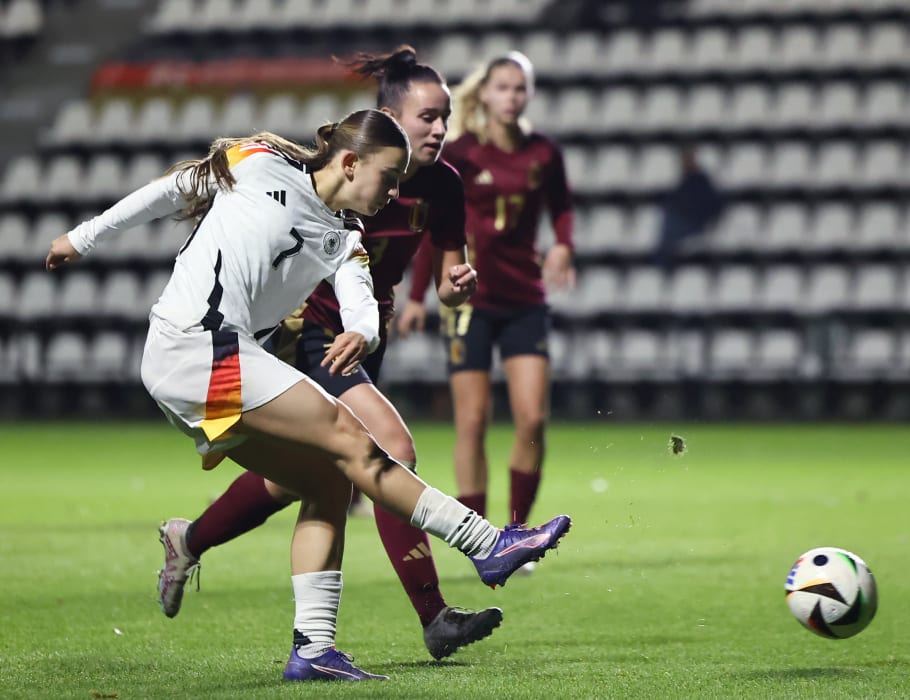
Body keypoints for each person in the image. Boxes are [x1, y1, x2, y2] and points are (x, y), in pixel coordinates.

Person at [45, 109, 572, 682]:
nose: (395, 191)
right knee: (353, 437)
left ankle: (313, 649)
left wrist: (362, 332)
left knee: (327, 478)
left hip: (219, 365)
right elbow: (171, 189)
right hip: (194, 345)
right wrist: (82, 237)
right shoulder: (257, 162)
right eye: (389, 177)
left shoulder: (345, 235)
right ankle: (486, 542)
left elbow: (361, 302)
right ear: (350, 163)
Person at [153, 48, 507, 661]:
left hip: (366, 335)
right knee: (387, 449)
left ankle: (191, 539)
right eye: (427, 117)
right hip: (312, 331)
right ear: (389, 117)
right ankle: (437, 612)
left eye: (446, 117)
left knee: (308, 479)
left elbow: (451, 274)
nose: (440, 130)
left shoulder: (445, 187)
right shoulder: (344, 172)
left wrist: (453, 288)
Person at [396, 51, 574, 537]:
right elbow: (438, 228)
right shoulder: (461, 153)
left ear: (529, 94)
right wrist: (417, 295)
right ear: (487, 93)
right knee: (472, 421)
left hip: (525, 299)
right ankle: (479, 535)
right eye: (503, 87)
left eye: (520, 88)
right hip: (469, 301)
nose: (512, 97)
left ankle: (516, 532)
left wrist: (563, 245)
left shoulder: (543, 153)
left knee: (533, 419)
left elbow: (562, 207)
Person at [653, 145, 723, 269]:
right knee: (668, 222)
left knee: (670, 228)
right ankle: (662, 264)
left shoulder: (700, 180)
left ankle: (663, 265)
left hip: (693, 221)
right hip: (684, 218)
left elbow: (713, 204)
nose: (685, 164)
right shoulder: (684, 181)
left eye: (688, 161)